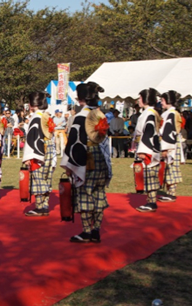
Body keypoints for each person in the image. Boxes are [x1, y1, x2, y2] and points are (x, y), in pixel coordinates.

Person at [61, 82, 112, 243]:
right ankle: (96, 229)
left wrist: (69, 164)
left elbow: (74, 141)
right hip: (101, 158)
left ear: (79, 98)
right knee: (99, 193)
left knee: (84, 194)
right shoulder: (100, 114)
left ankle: (86, 231)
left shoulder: (80, 116)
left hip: (86, 158)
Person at [22, 91, 56, 217]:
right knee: (47, 177)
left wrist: (29, 156)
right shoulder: (46, 115)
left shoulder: (36, 117)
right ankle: (45, 205)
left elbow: (33, 138)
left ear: (31, 104)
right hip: (49, 149)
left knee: (38, 178)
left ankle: (40, 206)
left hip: (39, 150)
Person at [133, 88, 162, 213]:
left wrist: (143, 150)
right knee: (147, 174)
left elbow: (148, 131)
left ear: (145, 99)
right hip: (148, 145)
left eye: (140, 98)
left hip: (148, 147)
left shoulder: (149, 113)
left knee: (150, 174)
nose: (138, 100)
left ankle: (152, 201)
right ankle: (150, 200)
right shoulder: (149, 112)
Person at [158, 90, 183, 203]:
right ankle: (170, 192)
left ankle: (171, 193)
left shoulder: (171, 113)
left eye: (162, 100)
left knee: (172, 167)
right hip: (170, 141)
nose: (161, 102)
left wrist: (166, 147)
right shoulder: (171, 113)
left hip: (170, 142)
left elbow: (169, 131)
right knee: (170, 167)